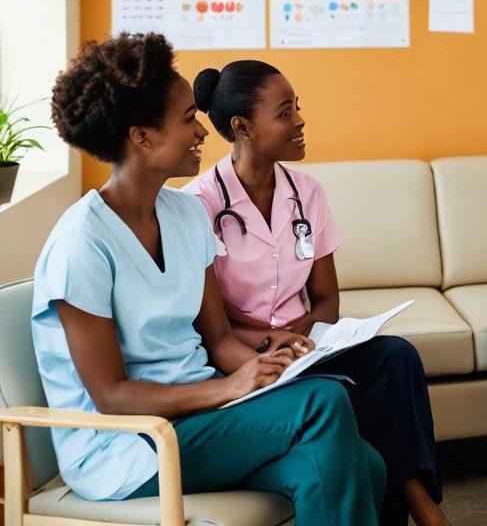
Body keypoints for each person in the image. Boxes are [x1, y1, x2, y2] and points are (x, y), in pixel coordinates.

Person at [33, 33, 383, 524]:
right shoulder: (81, 244)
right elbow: (111, 395)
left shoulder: (185, 215)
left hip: (198, 416)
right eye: (187, 119)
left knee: (365, 464)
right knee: (323, 404)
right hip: (127, 446)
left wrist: (271, 371)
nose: (202, 131)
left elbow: (218, 340)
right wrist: (229, 389)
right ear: (142, 137)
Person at [184, 60, 446, 526]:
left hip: (306, 345)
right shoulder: (198, 204)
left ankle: (417, 499)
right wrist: (271, 341)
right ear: (242, 127)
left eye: (297, 107)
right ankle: (415, 506)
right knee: (338, 395)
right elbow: (210, 326)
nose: (301, 121)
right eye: (285, 112)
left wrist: (302, 339)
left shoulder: (307, 192)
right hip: (239, 355)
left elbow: (326, 299)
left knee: (396, 358)